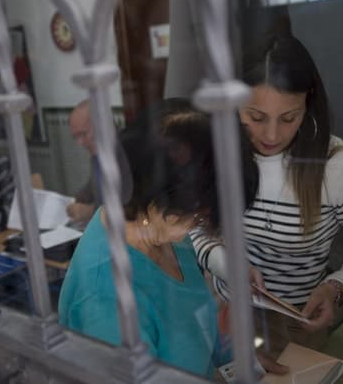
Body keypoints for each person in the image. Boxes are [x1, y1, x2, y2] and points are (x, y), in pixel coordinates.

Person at [192, 21, 343, 358]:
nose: (271, 135)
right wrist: (224, 264)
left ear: (309, 105)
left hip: (299, 320)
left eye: (289, 118)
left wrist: (337, 287)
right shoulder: (216, 151)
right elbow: (196, 227)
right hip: (223, 310)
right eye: (255, 117)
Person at [59, 101, 257, 378]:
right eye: (198, 217)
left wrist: (241, 363)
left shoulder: (167, 232)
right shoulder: (106, 298)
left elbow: (199, 319)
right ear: (156, 197)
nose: (199, 227)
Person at [66, 100, 99, 224]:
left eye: (83, 134)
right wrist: (75, 200)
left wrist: (89, 211)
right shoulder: (97, 154)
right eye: (76, 137)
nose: (80, 143)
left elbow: (126, 208)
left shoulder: (126, 153)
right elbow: (92, 187)